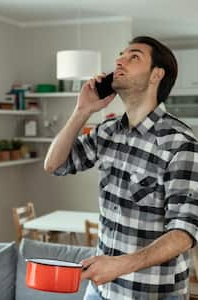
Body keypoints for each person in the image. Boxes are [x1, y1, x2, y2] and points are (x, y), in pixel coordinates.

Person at [44, 36, 198, 300]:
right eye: (120, 55)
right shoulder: (107, 131)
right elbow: (55, 164)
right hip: (101, 289)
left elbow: (184, 232)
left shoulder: (179, 142)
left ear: (156, 75)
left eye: (133, 56)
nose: (119, 61)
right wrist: (82, 111)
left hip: (151, 293)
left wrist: (119, 265)